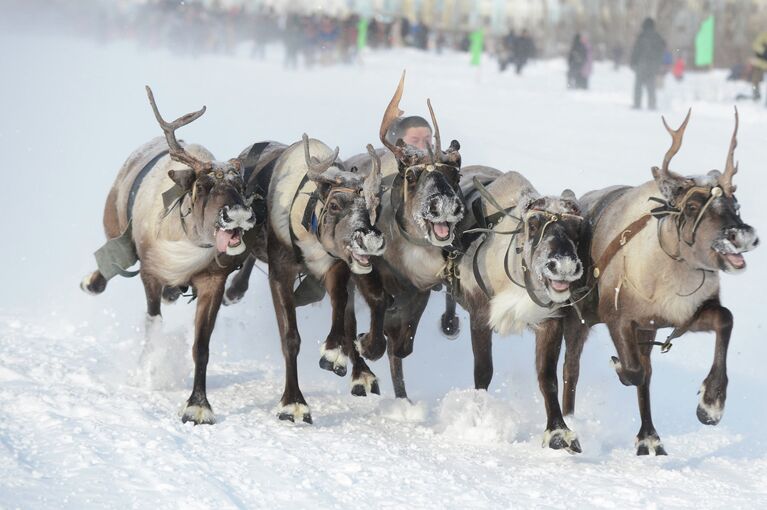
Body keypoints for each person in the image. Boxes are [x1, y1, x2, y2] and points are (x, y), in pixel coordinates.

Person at [630, 17, 666, 110]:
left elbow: (636, 50)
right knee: (651, 85)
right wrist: (658, 63)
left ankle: (637, 104)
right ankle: (652, 104)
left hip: (642, 63)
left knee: (638, 85)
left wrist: (633, 62)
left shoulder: (641, 36)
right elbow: (662, 49)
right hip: (653, 65)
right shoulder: (658, 36)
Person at [749, 31, 767, 102]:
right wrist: (763, 52)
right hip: (761, 62)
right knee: (755, 78)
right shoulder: (764, 35)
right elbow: (755, 45)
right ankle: (756, 93)